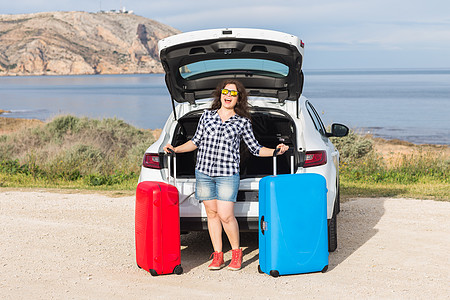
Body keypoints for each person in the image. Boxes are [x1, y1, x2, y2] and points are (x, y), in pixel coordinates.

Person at [163, 79, 288, 271]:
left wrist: (275, 151)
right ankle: (218, 255)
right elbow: (195, 142)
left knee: (226, 215)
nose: (228, 96)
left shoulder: (242, 122)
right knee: (212, 214)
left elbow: (255, 148)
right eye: (225, 92)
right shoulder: (206, 116)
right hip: (203, 172)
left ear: (239, 99)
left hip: (227, 175)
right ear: (220, 94)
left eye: (233, 94)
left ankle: (236, 254)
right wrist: (175, 149)